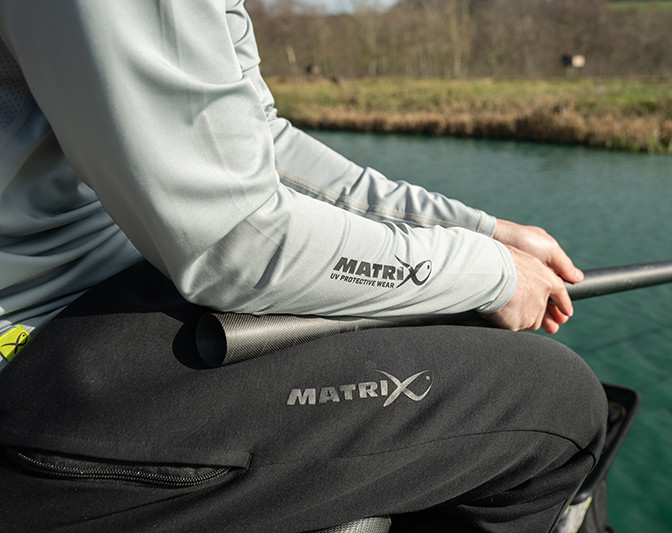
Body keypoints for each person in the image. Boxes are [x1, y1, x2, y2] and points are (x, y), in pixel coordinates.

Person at [0, 1, 606, 531]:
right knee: (555, 402)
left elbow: (260, 147)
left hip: (113, 297)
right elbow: (236, 243)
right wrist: (490, 274)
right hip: (33, 361)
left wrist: (479, 231)